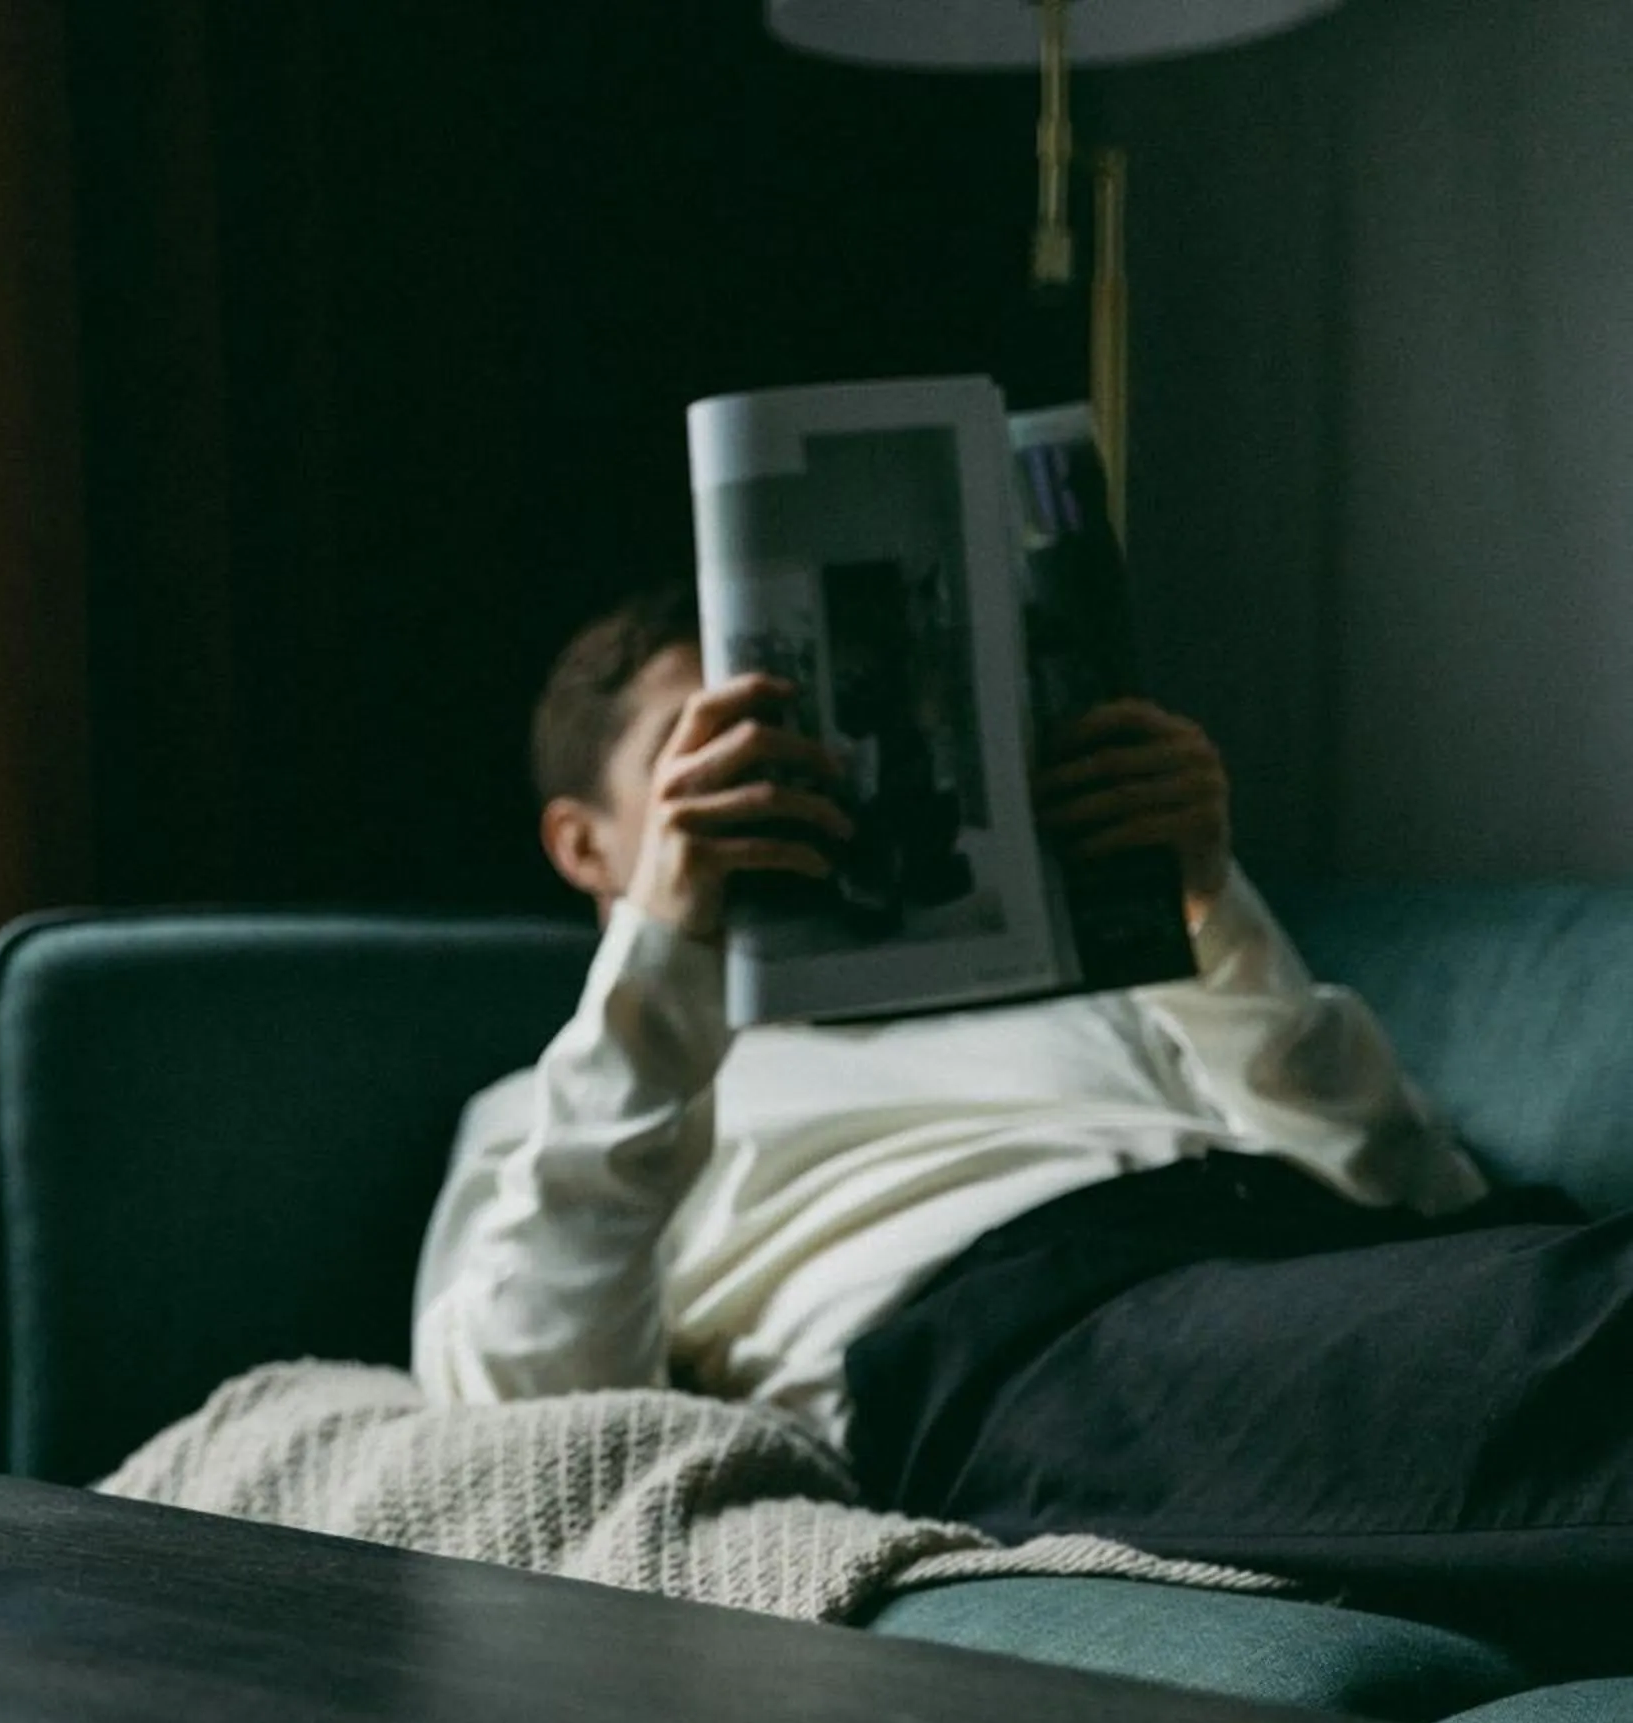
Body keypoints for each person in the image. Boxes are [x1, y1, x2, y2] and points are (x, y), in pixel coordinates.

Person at [413, 584, 1633, 1642]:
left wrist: (1204, 894)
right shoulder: (556, 1099)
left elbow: (1424, 1186)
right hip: (1038, 1329)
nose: (782, 790)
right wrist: (671, 948)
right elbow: (532, 1397)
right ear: (584, 844)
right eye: (709, 755)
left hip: (1324, 1246)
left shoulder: (1064, 985)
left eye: (797, 746)